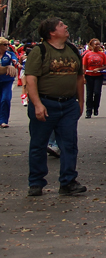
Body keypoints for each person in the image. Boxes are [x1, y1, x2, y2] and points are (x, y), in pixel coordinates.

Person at [25, 18, 86, 197]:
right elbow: (31, 79)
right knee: (38, 144)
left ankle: (68, 182)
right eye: (61, 25)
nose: (66, 26)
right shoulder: (40, 51)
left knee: (69, 145)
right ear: (51, 32)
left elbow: (79, 77)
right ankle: (36, 182)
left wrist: (80, 102)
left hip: (68, 105)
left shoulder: (72, 50)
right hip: (46, 104)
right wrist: (37, 104)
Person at [82, 38, 106, 119]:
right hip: (89, 76)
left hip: (98, 76)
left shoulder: (102, 54)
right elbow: (84, 67)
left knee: (97, 92)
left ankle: (96, 108)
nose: (97, 46)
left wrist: (98, 69)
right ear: (91, 45)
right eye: (96, 44)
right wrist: (83, 77)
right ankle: (88, 111)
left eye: (98, 44)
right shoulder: (87, 55)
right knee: (89, 94)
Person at [0, 37, 18, 127]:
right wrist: (6, 67)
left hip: (7, 81)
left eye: (8, 44)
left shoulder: (10, 54)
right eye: (5, 45)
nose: (7, 46)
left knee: (5, 99)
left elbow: (15, 61)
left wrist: (15, 65)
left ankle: (3, 120)